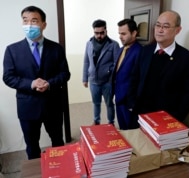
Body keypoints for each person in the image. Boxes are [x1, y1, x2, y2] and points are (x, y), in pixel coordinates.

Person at [2, 6, 71, 159]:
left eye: (34, 21)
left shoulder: (56, 49)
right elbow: (8, 77)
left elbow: (65, 74)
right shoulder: (12, 50)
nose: (29, 25)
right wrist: (31, 83)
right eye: (25, 21)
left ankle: (60, 169)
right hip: (27, 107)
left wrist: (50, 83)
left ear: (43, 24)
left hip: (53, 105)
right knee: (32, 145)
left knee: (58, 142)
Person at [127, 10, 189, 122]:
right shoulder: (145, 51)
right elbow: (134, 78)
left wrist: (176, 118)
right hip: (140, 115)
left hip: (167, 119)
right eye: (158, 25)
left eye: (165, 26)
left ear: (178, 30)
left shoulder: (187, 58)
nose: (160, 30)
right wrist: (132, 105)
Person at [83, 19, 120, 125]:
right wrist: (85, 78)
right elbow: (86, 61)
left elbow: (116, 63)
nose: (99, 35)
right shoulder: (89, 43)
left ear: (106, 31)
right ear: (93, 31)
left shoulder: (113, 44)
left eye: (101, 33)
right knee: (96, 103)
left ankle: (111, 122)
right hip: (93, 81)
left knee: (109, 103)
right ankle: (96, 121)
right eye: (96, 33)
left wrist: (109, 72)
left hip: (107, 82)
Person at [112, 19, 142, 130]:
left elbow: (139, 80)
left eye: (124, 34)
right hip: (119, 99)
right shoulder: (120, 50)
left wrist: (133, 104)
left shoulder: (140, 52)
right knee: (123, 131)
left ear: (134, 33)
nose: (120, 36)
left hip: (130, 103)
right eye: (119, 33)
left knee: (132, 133)